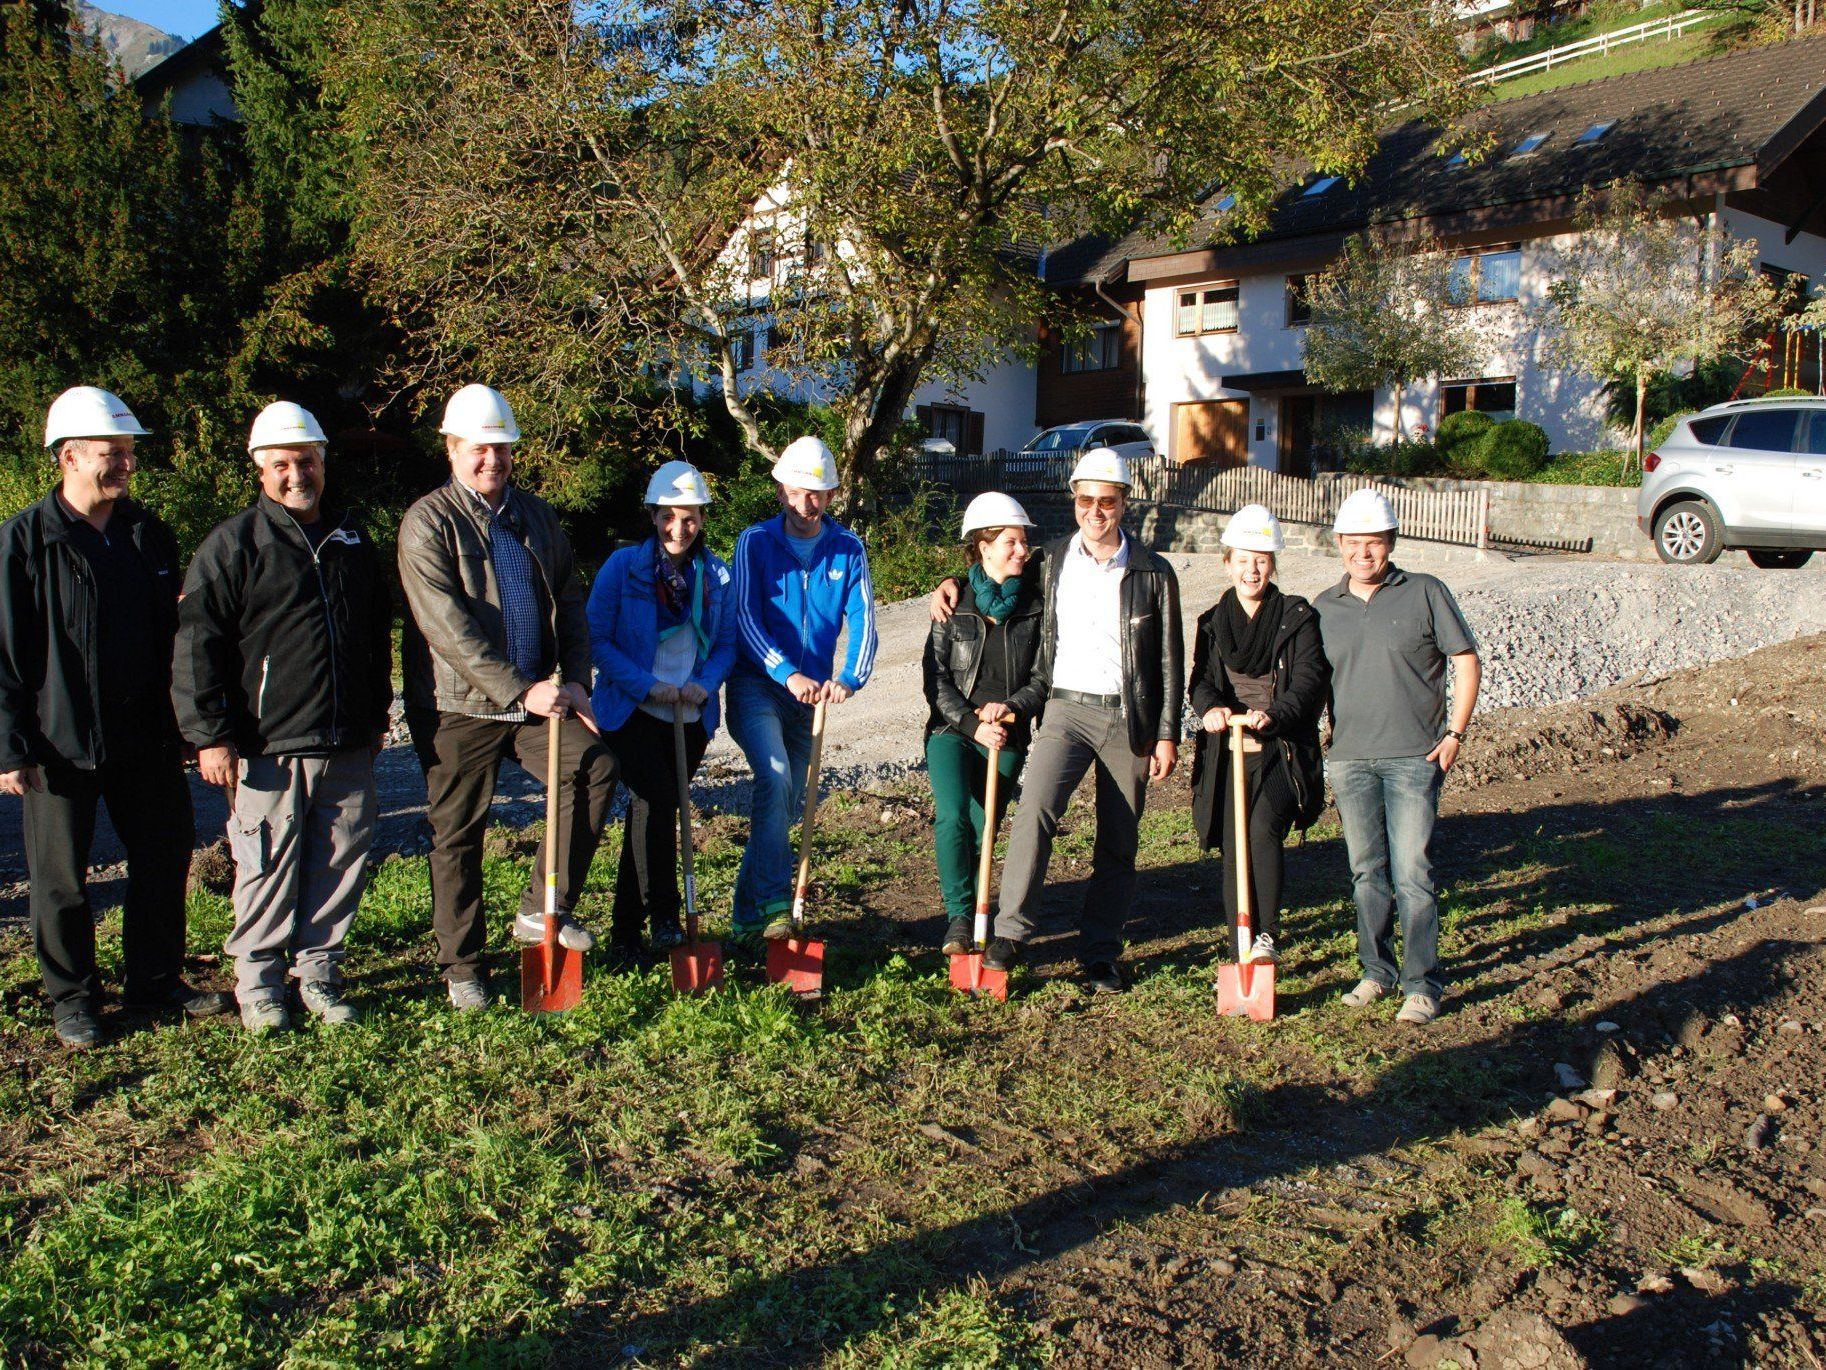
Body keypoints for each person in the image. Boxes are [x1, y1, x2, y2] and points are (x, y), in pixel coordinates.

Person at [0, 387, 230, 1049]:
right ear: (68, 456)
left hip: (147, 736)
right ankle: (72, 999)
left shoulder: (145, 534)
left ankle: (154, 981)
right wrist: (10, 745)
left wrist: (189, 723)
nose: (126, 464)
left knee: (162, 856)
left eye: (129, 453)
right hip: (58, 742)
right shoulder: (24, 543)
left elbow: (175, 638)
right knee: (62, 880)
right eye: (112, 453)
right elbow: (5, 652)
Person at [172, 402, 393, 1033]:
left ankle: (319, 974)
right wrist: (210, 737)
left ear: (323, 463)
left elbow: (376, 634)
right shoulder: (234, 544)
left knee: (340, 860)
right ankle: (260, 983)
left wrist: (375, 715)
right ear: (260, 470)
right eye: (282, 464)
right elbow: (196, 645)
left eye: (307, 461)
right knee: (266, 865)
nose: (297, 474)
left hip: (348, 738)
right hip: (269, 742)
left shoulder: (351, 540)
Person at [398, 383, 617, 1010]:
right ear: (451, 448)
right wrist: (523, 690)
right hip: (460, 705)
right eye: (478, 450)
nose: (492, 461)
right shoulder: (428, 522)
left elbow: (570, 598)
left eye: (501, 449)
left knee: (595, 766)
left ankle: (541, 909)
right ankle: (462, 965)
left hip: (539, 697)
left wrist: (575, 678)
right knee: (457, 833)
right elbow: (448, 628)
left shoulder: (536, 516)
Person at [981, 447, 1183, 993]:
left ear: (1123, 503)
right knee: (1034, 812)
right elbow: (993, 579)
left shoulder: (1153, 572)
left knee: (1118, 838)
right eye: (1087, 499)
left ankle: (1100, 951)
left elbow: (1169, 659)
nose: (1096, 510)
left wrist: (1167, 733)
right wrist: (950, 588)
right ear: (1075, 500)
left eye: (1108, 500)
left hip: (1128, 715)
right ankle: (1011, 933)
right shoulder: (1049, 560)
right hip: (1064, 709)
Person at [1314, 488, 1481, 1027]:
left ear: (1391, 542)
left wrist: (1455, 731)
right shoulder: (1323, 608)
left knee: (1413, 874)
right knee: (1367, 874)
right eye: (1354, 543)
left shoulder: (1426, 592)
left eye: (1375, 543)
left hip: (1415, 757)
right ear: (1339, 543)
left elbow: (1466, 660)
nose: (1364, 553)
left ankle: (1421, 983)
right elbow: (1306, 682)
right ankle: (1375, 971)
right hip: (1350, 759)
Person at [726, 435, 878, 949]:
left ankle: (746, 919)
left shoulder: (848, 549)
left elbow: (864, 621)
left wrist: (850, 679)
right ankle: (774, 905)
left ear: (831, 496)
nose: (806, 504)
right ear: (781, 490)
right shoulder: (754, 542)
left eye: (817, 495)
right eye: (798, 492)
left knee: (784, 798)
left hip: (811, 698)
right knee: (774, 777)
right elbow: (743, 615)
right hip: (757, 688)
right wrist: (785, 670)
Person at [586, 461, 736, 958]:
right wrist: (647, 685)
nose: (679, 529)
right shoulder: (621, 568)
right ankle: (666, 915)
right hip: (630, 711)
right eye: (669, 517)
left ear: (702, 519)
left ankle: (626, 934)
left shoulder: (715, 575)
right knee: (657, 801)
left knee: (649, 812)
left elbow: (727, 644)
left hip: (689, 717)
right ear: (652, 516)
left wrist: (703, 684)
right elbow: (598, 641)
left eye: (689, 518)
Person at [1186, 504, 1328, 968]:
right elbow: (1201, 682)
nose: (1253, 570)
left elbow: (1310, 681)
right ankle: (1238, 941)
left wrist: (1276, 715)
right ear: (1226, 562)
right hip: (1228, 750)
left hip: (1280, 749)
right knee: (1232, 841)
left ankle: (1265, 936)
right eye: (1243, 559)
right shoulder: (1212, 622)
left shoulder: (1297, 617)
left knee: (1262, 828)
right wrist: (1209, 709)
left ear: (1274, 564)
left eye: (1262, 559)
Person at [921, 492, 1048, 955]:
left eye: (1023, 543)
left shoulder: (1036, 604)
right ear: (983, 545)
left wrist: (1013, 708)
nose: (1022, 550)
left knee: (983, 825)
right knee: (953, 815)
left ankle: (979, 907)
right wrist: (972, 724)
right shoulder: (952, 604)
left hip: (1007, 733)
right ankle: (958, 918)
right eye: (1012, 542)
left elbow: (1043, 675)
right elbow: (934, 677)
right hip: (952, 730)